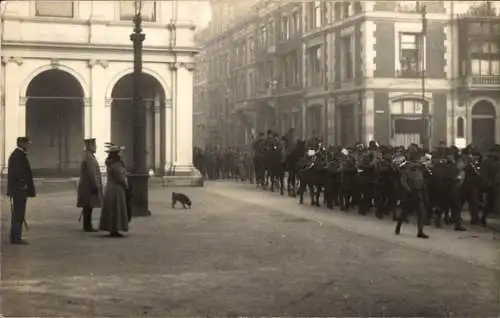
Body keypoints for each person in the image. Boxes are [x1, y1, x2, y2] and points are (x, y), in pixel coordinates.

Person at [7, 136, 35, 245]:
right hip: (19, 190)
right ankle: (16, 237)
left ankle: (15, 236)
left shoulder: (18, 155)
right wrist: (23, 186)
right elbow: (17, 174)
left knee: (18, 214)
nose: (28, 145)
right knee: (18, 214)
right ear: (22, 143)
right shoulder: (18, 156)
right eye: (27, 143)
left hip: (19, 189)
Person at [99, 145, 129, 237]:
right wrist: (126, 186)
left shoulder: (111, 163)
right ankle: (114, 229)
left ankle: (112, 228)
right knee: (116, 209)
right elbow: (120, 178)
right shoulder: (116, 165)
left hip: (110, 188)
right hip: (116, 189)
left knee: (112, 209)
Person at [76, 138, 103, 232]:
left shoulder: (88, 156)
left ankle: (87, 225)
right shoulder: (89, 158)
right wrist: (95, 185)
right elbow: (92, 174)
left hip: (87, 186)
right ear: (90, 146)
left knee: (88, 206)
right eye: (94, 145)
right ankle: (87, 226)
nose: (96, 147)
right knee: (88, 206)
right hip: (88, 186)